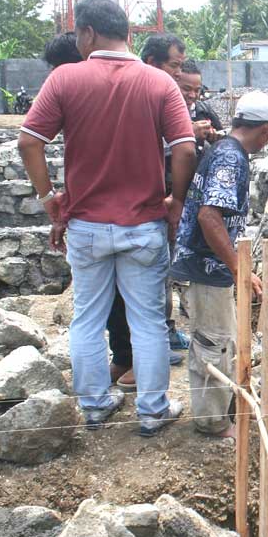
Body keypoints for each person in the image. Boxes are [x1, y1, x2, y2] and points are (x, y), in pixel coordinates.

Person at [18, 0, 196, 435]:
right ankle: (153, 410)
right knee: (148, 320)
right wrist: (175, 201)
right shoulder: (159, 83)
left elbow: (29, 141)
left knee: (88, 317)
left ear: (87, 33)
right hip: (143, 225)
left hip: (86, 225)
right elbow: (186, 148)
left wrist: (49, 199)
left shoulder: (65, 80)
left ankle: (96, 405)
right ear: (129, 35)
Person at [170, 92, 268, 435]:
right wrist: (238, 267)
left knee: (219, 338)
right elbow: (209, 216)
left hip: (208, 264)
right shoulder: (232, 159)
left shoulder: (225, 149)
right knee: (213, 342)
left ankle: (219, 412)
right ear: (266, 130)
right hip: (208, 265)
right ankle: (212, 422)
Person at [111, 33, 190, 392]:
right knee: (146, 308)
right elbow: (182, 151)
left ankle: (113, 375)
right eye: (174, 65)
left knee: (114, 301)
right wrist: (175, 201)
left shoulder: (117, 89)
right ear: (154, 62)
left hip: (105, 215)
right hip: (143, 214)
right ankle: (144, 387)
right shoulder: (153, 91)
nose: (177, 74)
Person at [178, 60, 224, 156]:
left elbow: (223, 145)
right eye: (186, 89)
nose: (192, 95)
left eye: (197, 90)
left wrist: (215, 139)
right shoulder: (161, 112)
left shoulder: (205, 112)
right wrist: (189, 134)